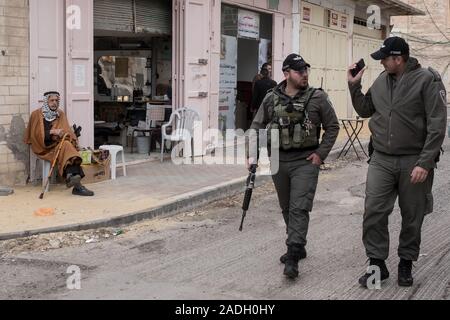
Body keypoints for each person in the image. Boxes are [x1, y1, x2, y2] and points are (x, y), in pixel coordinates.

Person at [348, 36, 447, 288]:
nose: (381, 63)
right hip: (381, 158)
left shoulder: (427, 80)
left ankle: (405, 261)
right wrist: (354, 86)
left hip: (414, 159)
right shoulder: (381, 80)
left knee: (412, 215)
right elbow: (365, 109)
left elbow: (437, 125)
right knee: (373, 211)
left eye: (384, 58)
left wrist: (424, 163)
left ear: (398, 58)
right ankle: (377, 264)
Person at [248, 54, 340, 279]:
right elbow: (257, 127)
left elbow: (333, 127)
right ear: (287, 73)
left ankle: (292, 254)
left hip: (305, 161)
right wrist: (252, 156)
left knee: (299, 207)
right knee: (287, 207)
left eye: (306, 70)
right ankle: (297, 244)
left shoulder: (317, 97)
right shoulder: (271, 98)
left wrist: (320, 154)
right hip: (279, 160)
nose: (305, 74)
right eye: (300, 71)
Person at [24, 91, 94, 196]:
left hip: (58, 146)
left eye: (56, 100)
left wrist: (65, 135)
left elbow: (67, 132)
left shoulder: (60, 114)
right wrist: (52, 132)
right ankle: (76, 184)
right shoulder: (36, 115)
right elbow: (35, 135)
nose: (54, 103)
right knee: (67, 147)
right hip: (43, 148)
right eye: (51, 100)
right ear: (46, 101)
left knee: (67, 145)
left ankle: (73, 178)